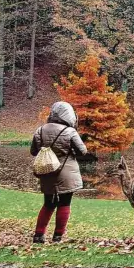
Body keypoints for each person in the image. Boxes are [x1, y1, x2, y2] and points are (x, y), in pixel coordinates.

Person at [30, 101, 87, 244]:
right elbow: (83, 151)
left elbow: (33, 151)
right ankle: (57, 237)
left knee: (48, 203)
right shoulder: (70, 132)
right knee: (64, 203)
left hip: (47, 172)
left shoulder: (40, 130)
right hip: (66, 173)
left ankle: (38, 235)